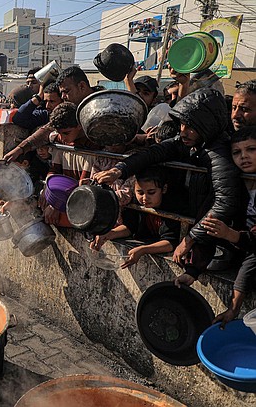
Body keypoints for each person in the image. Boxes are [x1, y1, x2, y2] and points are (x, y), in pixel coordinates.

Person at [94, 88, 245, 287]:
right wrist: (119, 170)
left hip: (215, 236)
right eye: (181, 123)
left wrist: (190, 238)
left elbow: (224, 203)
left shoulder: (219, 154)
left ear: (207, 125)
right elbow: (153, 153)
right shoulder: (187, 141)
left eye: (191, 126)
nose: (183, 130)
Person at [204, 126, 256, 327]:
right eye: (237, 152)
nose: (244, 157)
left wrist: (232, 235)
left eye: (251, 149)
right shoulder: (237, 182)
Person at [90, 168, 181, 269]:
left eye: (151, 192)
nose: (145, 198)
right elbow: (130, 226)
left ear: (163, 189)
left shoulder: (173, 206)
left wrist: (143, 250)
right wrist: (108, 234)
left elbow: (170, 242)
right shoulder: (135, 202)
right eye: (140, 193)